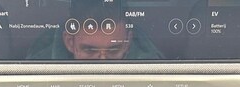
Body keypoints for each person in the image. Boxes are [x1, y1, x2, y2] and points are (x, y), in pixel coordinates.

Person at [27, 0, 163, 60]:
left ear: (127, 42)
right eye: (90, 50)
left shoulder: (154, 67)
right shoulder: (37, 68)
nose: (102, 63)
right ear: (70, 42)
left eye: (113, 50)